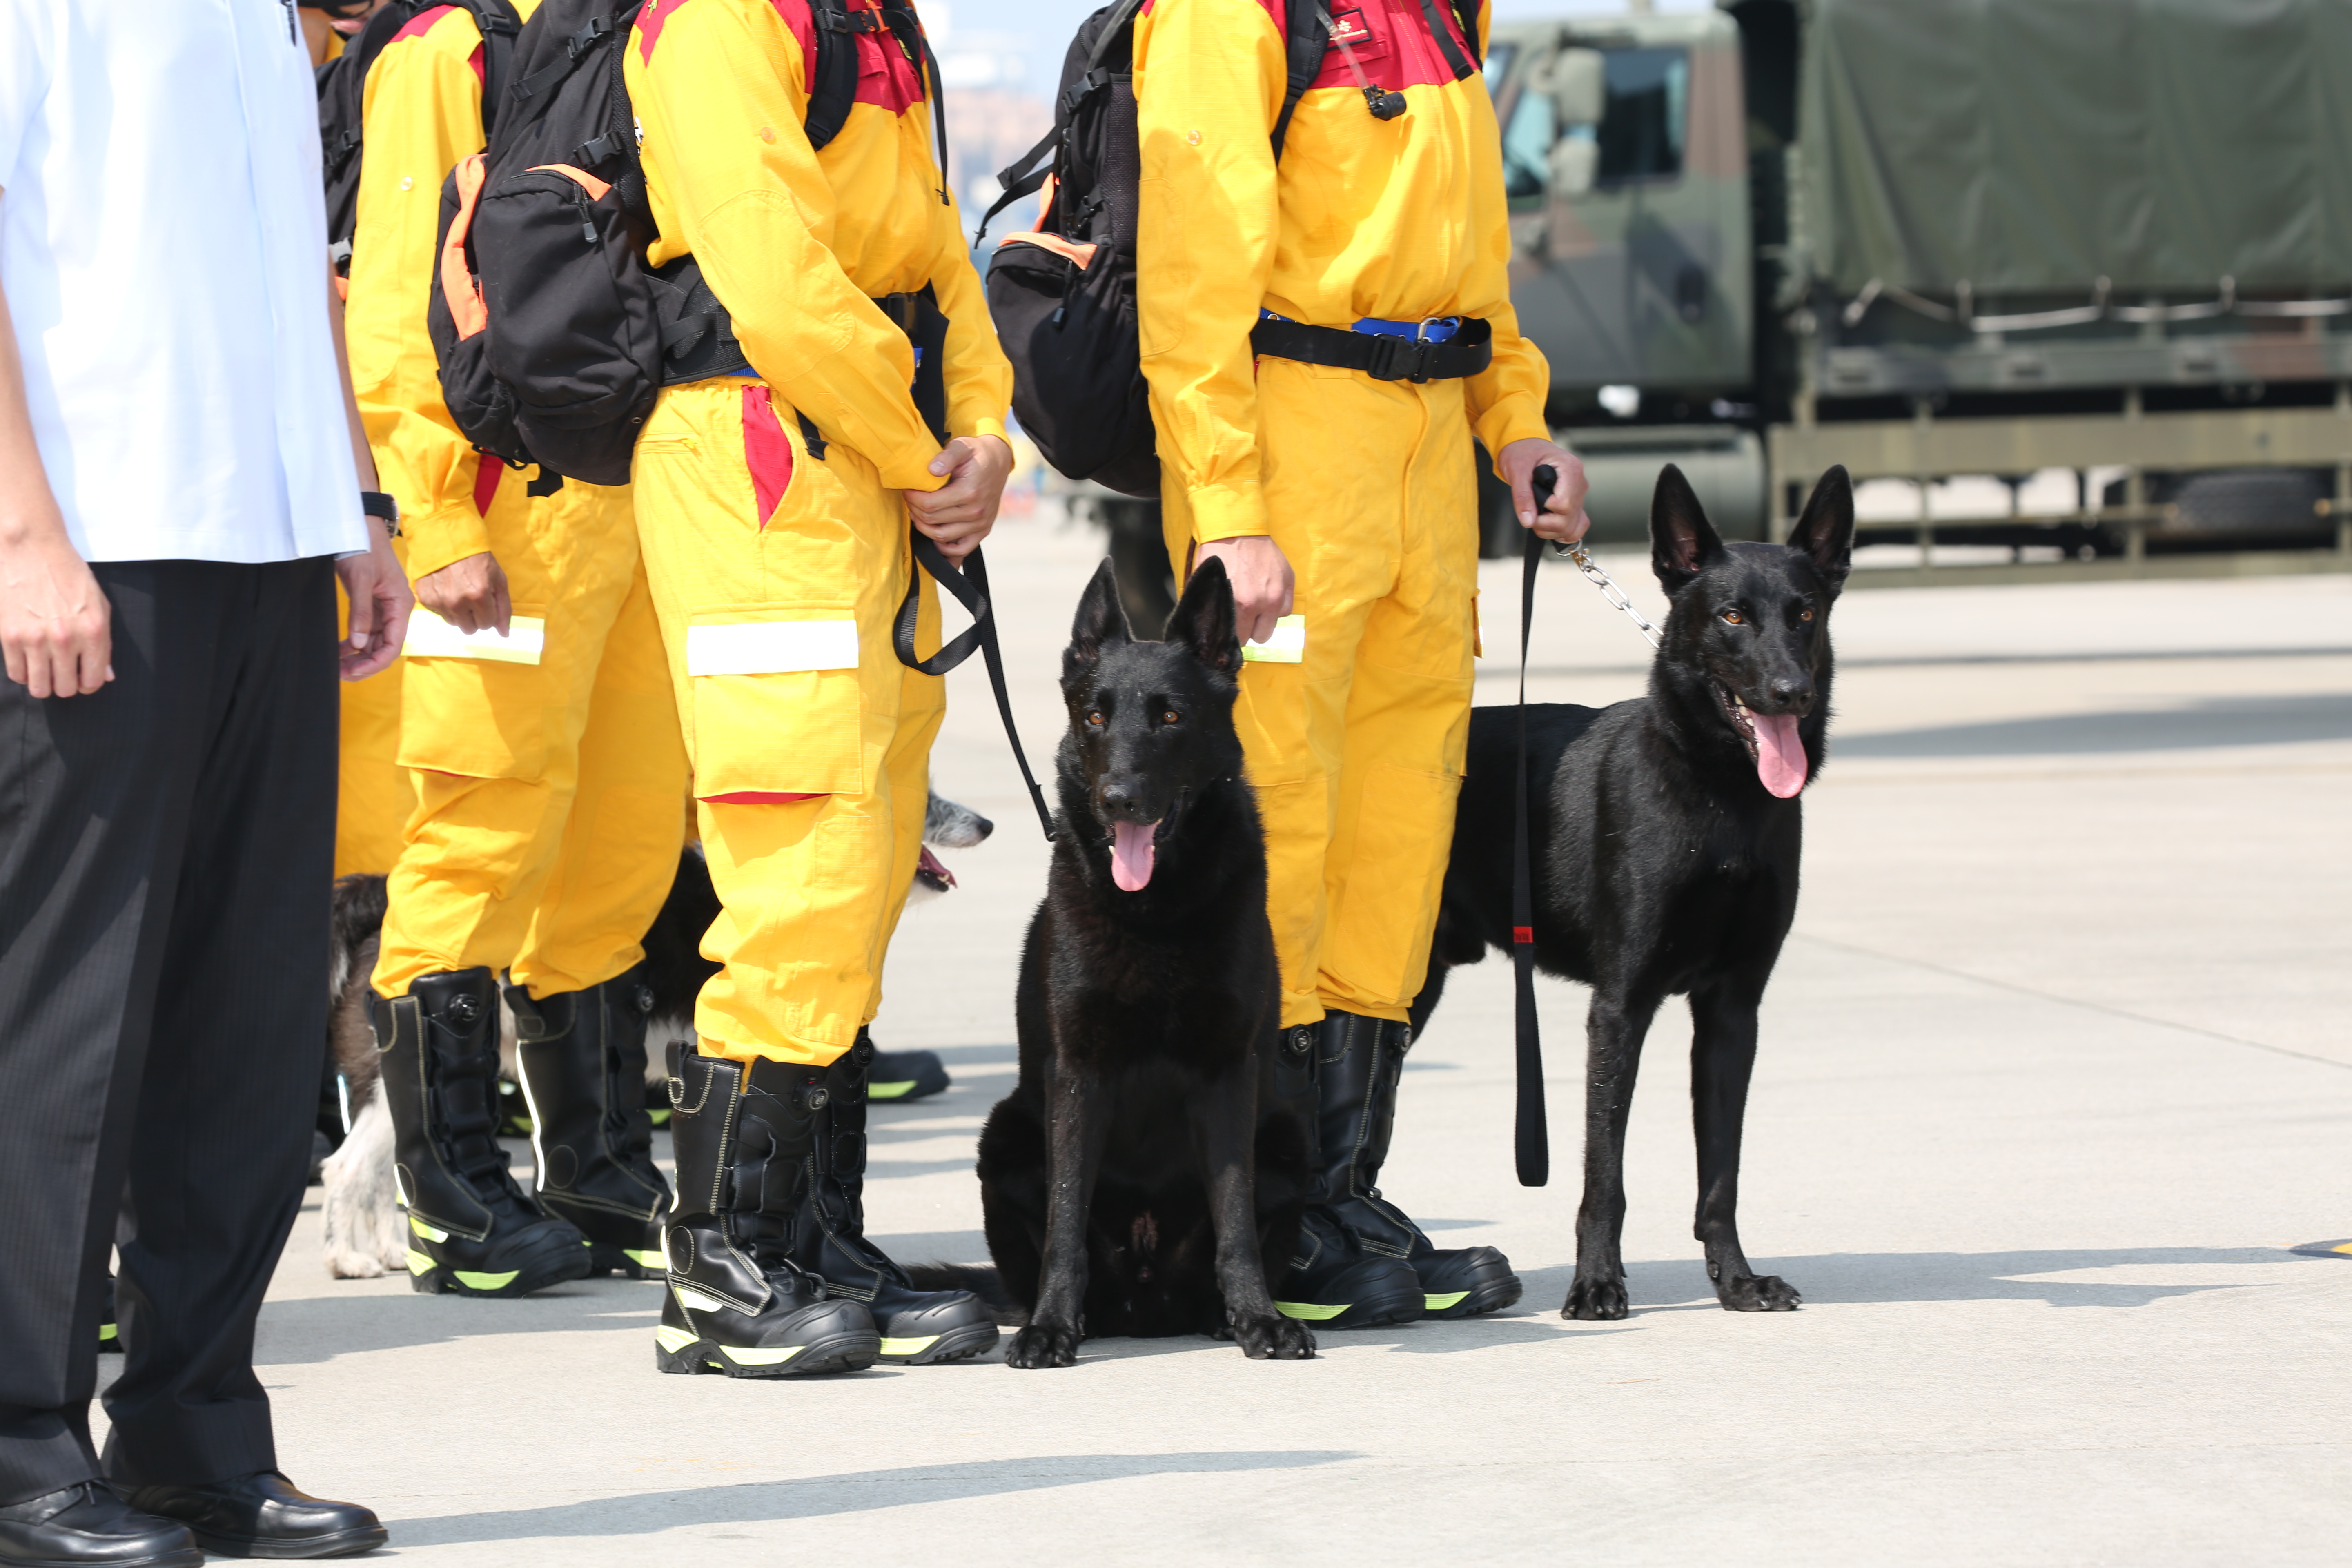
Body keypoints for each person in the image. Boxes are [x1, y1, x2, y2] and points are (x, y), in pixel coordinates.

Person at [0, 2, 407, 1562]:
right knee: (67, 1028)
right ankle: (19, 1453)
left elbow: (290, 265)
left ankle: (193, 1437)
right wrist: (23, 538)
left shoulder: (261, 16)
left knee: (243, 1026)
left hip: (272, 542)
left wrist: (355, 501)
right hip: (97, 542)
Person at [1131, 0, 1592, 1327]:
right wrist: (1229, 509)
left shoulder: (1445, 12)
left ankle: (1337, 1189)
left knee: (1397, 834)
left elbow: (1473, 267)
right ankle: (1260, 1212)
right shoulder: (1234, 16)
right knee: (1281, 831)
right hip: (1293, 453)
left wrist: (1516, 423)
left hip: (1427, 459)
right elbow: (1193, 278)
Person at [623, 0, 1014, 1376]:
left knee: (860, 864)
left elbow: (942, 263)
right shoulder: (719, 22)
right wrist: (920, 452)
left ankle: (810, 1242)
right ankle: (720, 1269)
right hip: (762, 465)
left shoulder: (868, 23)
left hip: (862, 468)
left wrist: (980, 436)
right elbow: (778, 281)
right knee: (798, 860)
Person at [350, 0, 692, 1294]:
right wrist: (436, 525)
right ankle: (450, 1195)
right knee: (477, 839)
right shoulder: (452, 51)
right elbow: (396, 312)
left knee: (622, 851)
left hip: (642, 519)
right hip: (504, 518)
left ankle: (597, 1171)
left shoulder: (659, 33)